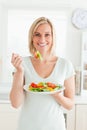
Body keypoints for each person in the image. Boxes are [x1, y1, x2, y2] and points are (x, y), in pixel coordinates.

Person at [10, 17, 75, 130]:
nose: (42, 39)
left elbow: (70, 105)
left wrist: (56, 94)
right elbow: (15, 104)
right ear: (32, 38)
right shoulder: (22, 64)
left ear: (53, 37)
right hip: (27, 126)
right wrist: (20, 71)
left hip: (55, 126)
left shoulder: (65, 65)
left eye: (47, 34)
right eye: (37, 34)